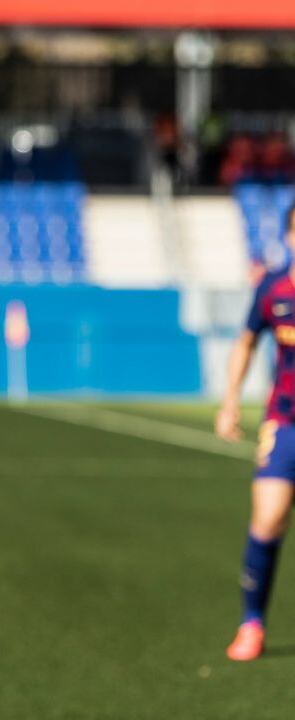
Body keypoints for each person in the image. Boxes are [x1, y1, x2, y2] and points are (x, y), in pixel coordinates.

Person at [217, 203, 295, 661]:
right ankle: (252, 623)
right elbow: (246, 340)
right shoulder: (274, 288)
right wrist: (230, 400)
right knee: (267, 519)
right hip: (285, 422)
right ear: (289, 237)